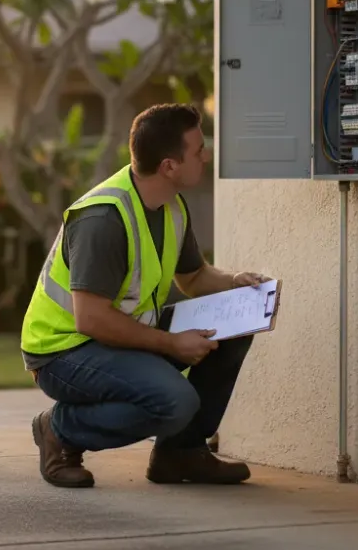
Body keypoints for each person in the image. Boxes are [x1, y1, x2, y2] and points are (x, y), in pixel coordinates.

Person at [20, 103, 272, 489]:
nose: (206, 155)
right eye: (198, 149)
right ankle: (59, 431)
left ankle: (181, 454)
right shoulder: (103, 218)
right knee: (176, 400)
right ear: (170, 165)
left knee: (233, 327)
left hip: (123, 332)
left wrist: (235, 282)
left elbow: (195, 277)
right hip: (65, 351)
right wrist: (172, 344)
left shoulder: (169, 205)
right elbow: (91, 319)